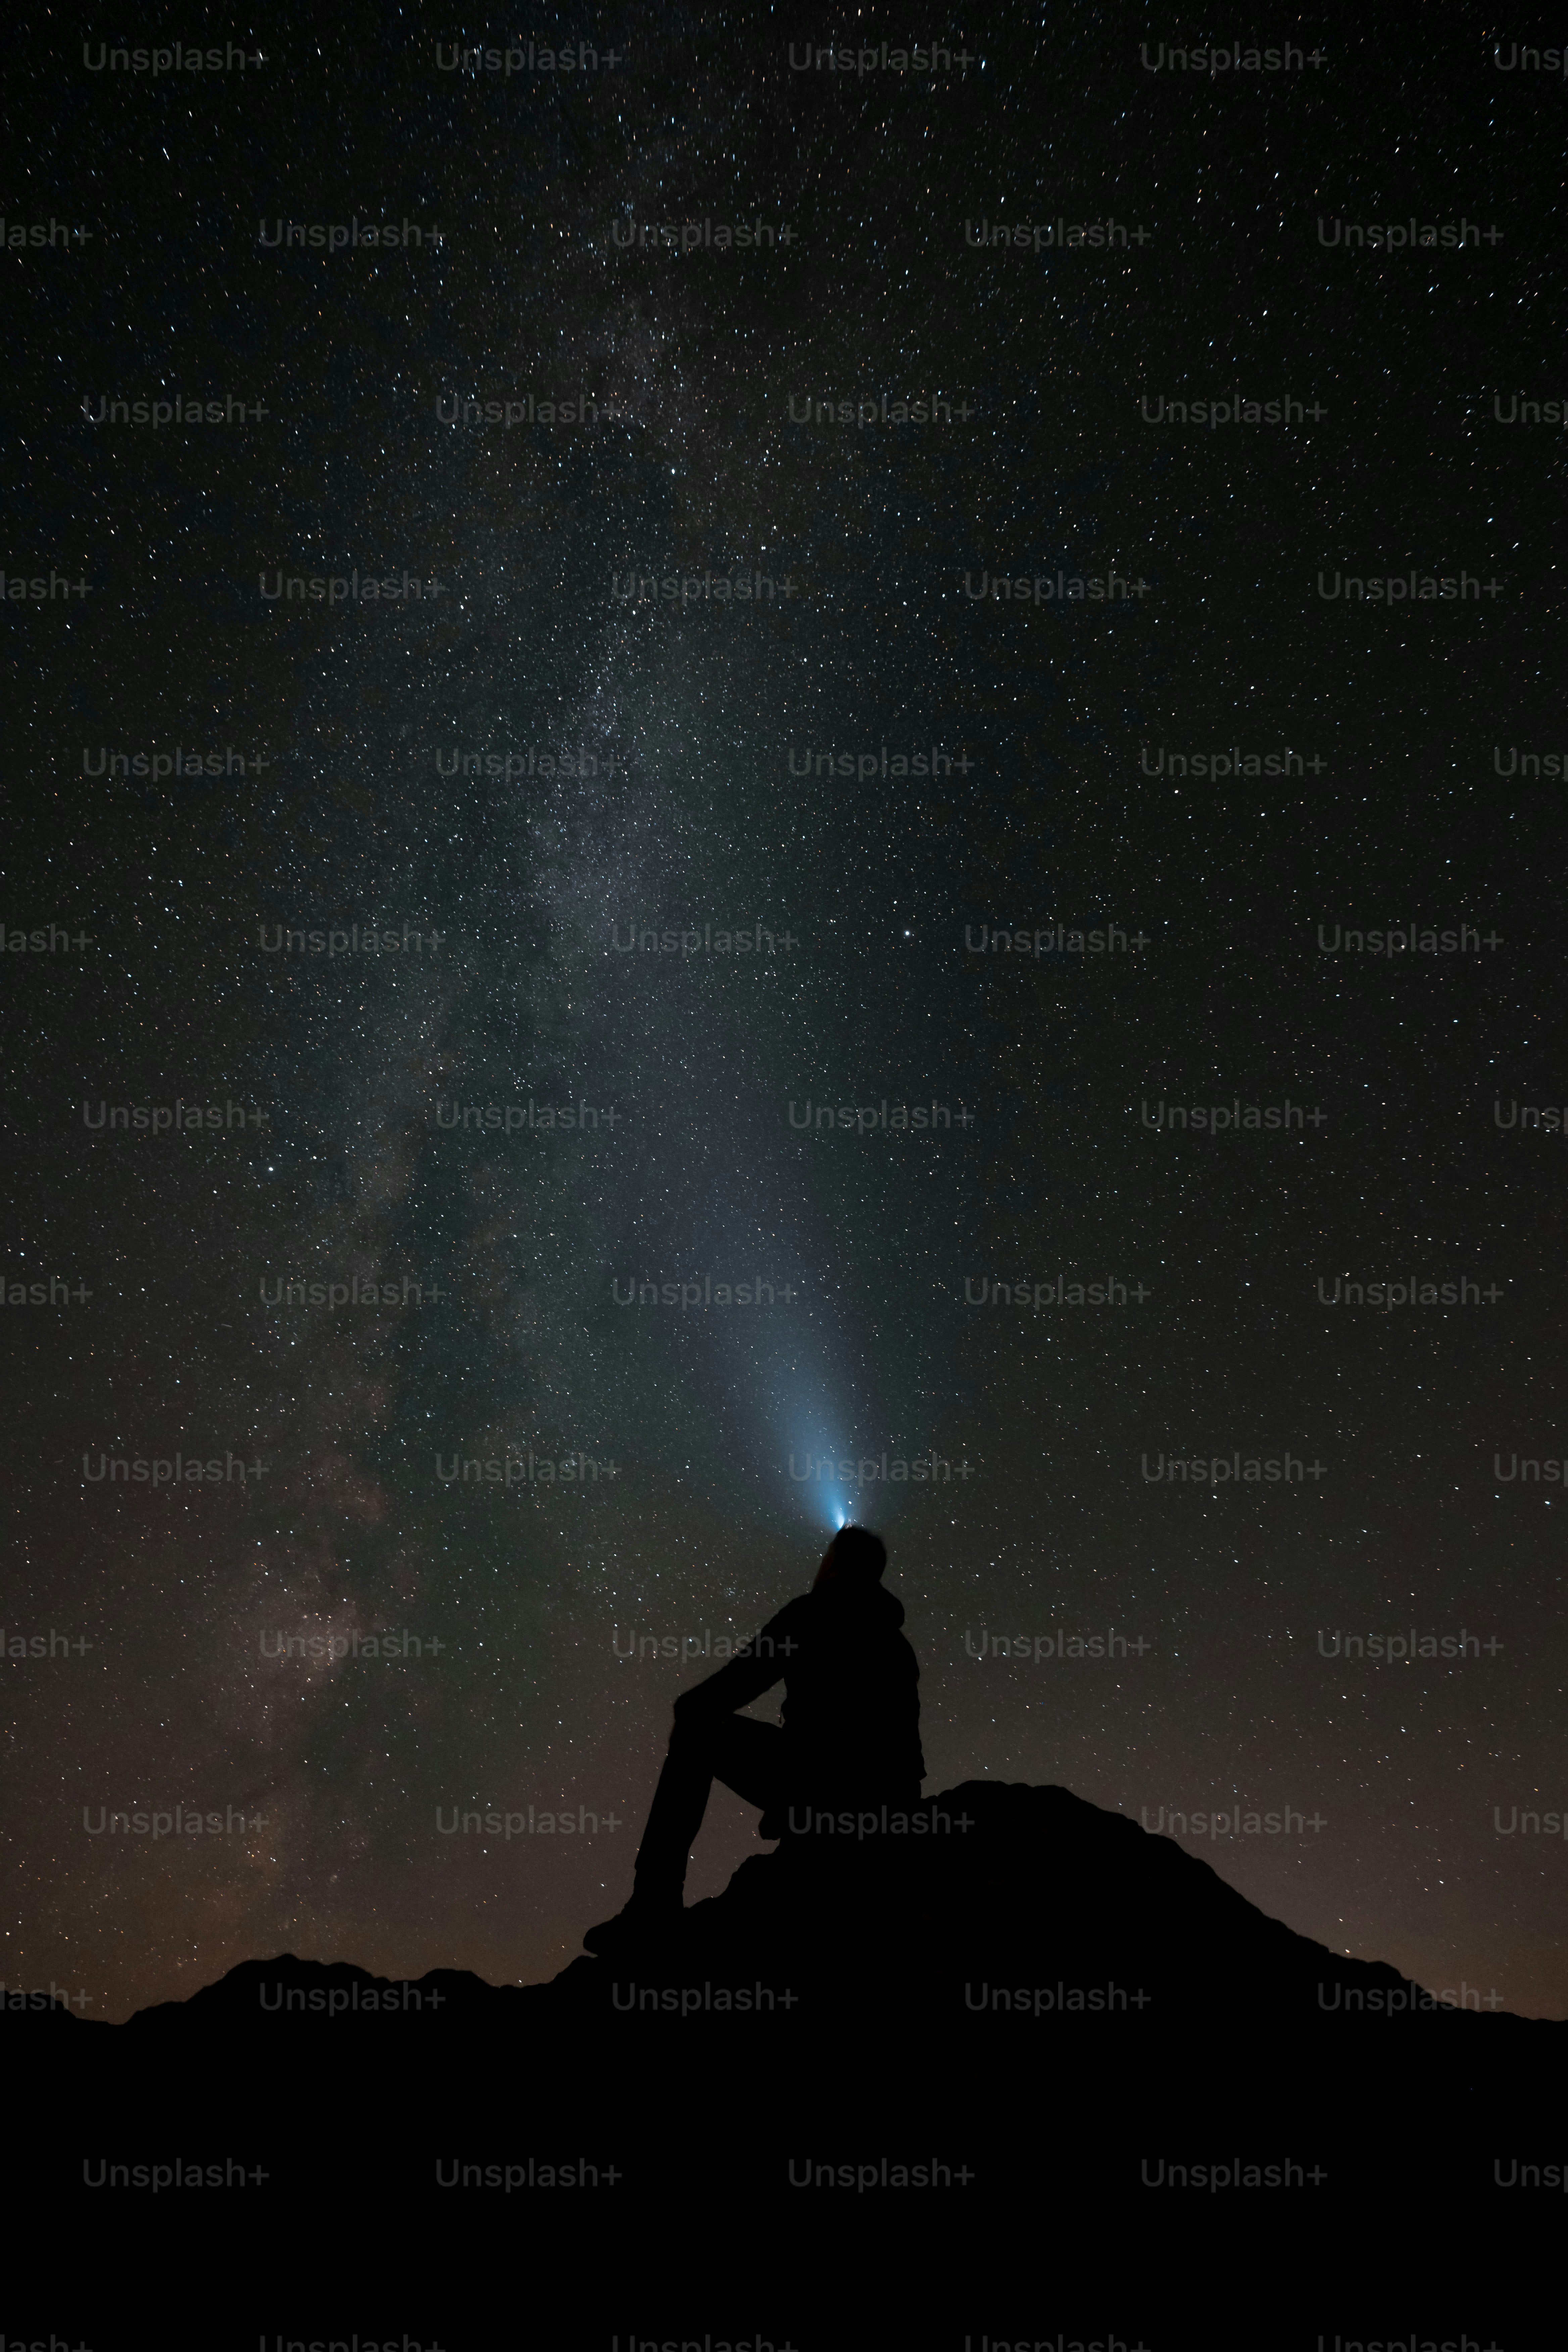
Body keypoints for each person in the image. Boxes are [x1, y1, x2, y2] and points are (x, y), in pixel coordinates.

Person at [584, 1523, 924, 1952]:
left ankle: (653, 1906)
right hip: (888, 1806)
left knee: (698, 1731)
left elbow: (730, 1688)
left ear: (834, 1562)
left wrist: (689, 1713)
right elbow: (902, 1752)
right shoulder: (898, 1646)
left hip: (826, 1789)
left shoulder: (811, 1613)